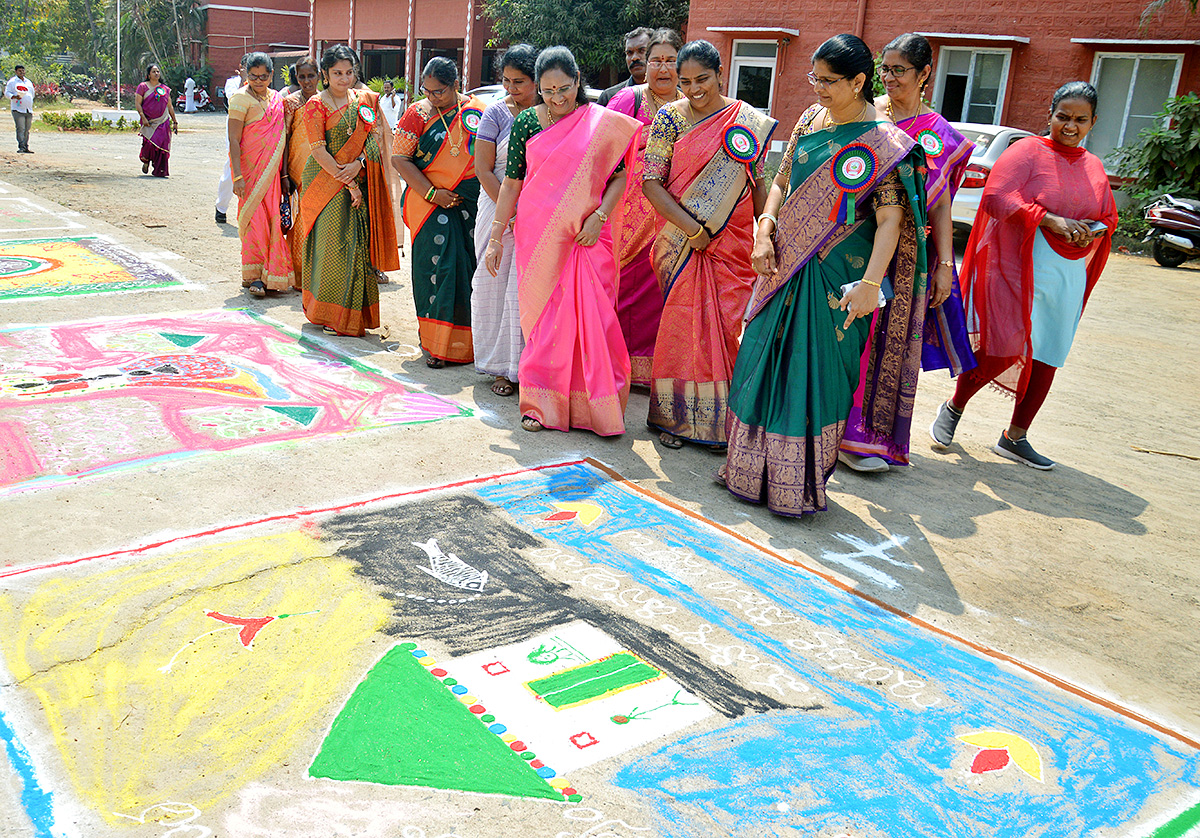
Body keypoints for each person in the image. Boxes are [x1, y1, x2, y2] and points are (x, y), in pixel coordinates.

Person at [720, 34, 927, 517]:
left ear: (859, 81)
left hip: (839, 279)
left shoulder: (887, 143)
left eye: (828, 81)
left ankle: (797, 486)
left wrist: (871, 286)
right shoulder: (811, 119)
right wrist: (764, 230)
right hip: (784, 263)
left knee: (818, 377)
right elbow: (783, 179)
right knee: (760, 359)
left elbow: (890, 222)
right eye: (813, 77)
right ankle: (749, 472)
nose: (817, 87)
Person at [929, 81, 1116, 470]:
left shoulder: (1094, 165)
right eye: (1063, 116)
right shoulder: (1027, 151)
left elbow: (1108, 216)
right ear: (1049, 115)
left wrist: (1088, 229)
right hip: (1017, 266)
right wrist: (1050, 220)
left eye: (1080, 119)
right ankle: (954, 406)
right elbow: (997, 197)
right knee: (1003, 348)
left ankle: (1015, 437)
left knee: (1049, 355)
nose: (1070, 125)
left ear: (1093, 122)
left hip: (1066, 273)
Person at [837, 32, 977, 472]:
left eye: (900, 70)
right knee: (847, 332)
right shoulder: (864, 113)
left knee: (888, 341)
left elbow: (939, 204)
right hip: (854, 242)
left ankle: (867, 438)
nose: (890, 78)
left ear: (925, 74)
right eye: (885, 69)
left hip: (908, 258)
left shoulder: (940, 135)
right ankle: (828, 423)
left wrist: (944, 265)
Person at [484, 46, 640, 435]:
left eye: (566, 89)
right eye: (549, 90)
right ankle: (540, 406)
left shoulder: (600, 123)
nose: (557, 98)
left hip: (588, 237)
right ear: (539, 87)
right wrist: (495, 235)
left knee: (596, 323)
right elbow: (512, 182)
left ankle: (594, 409)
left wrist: (599, 216)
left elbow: (618, 177)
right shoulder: (526, 125)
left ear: (578, 82)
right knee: (544, 324)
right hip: (541, 238)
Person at [640, 38, 776, 451]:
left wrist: (767, 233)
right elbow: (651, 183)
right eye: (685, 82)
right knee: (683, 326)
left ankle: (723, 423)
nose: (694, 89)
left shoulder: (746, 119)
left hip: (732, 247)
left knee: (728, 329)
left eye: (703, 79)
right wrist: (694, 230)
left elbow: (757, 183)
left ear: (721, 74)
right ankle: (677, 417)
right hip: (684, 242)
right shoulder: (669, 118)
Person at [299, 44, 399, 336]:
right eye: (337, 73)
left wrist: (359, 163)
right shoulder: (316, 104)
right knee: (334, 247)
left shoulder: (364, 100)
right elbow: (318, 151)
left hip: (358, 177)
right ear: (325, 75)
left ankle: (355, 318)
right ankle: (330, 315)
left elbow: (374, 139)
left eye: (349, 72)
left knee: (357, 246)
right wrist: (350, 181)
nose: (344, 78)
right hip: (325, 183)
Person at [393, 57, 485, 367]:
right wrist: (434, 194)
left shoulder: (477, 111)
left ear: (456, 85)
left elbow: (489, 157)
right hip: (429, 204)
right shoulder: (417, 114)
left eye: (439, 92)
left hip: (470, 207)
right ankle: (436, 345)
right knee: (436, 271)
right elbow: (400, 159)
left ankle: (465, 346)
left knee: (468, 273)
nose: (432, 98)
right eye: (427, 91)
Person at [608, 28, 684, 389]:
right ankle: (612, 361)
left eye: (671, 60)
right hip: (624, 218)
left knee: (657, 294)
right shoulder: (628, 100)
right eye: (656, 60)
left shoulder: (692, 107)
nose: (663, 68)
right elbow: (603, 157)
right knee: (620, 291)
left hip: (671, 219)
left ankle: (649, 370)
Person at [469, 44, 538, 397]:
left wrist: (530, 211)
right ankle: (499, 367)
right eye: (507, 81)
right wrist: (510, 211)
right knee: (492, 285)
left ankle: (528, 367)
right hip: (497, 208)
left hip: (539, 215)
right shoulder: (495, 112)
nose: (511, 89)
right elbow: (483, 168)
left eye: (520, 82)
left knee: (526, 291)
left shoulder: (550, 113)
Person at [227, 53, 293, 297]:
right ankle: (254, 276)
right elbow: (234, 140)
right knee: (254, 221)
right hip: (250, 172)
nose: (258, 81)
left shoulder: (277, 98)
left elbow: (282, 137)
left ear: (271, 75)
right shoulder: (239, 99)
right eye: (253, 76)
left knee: (272, 219)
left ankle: (271, 274)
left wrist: (284, 175)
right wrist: (237, 177)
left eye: (263, 76)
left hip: (272, 174)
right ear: (245, 74)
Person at [283, 57, 320, 288]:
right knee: (299, 221)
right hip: (296, 169)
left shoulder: (326, 101)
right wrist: (285, 175)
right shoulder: (290, 102)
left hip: (321, 169)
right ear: (296, 78)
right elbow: (284, 139)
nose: (307, 81)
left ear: (319, 76)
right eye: (302, 76)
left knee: (318, 221)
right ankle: (298, 274)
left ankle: (318, 273)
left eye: (311, 76)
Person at [216, 56, 249, 223]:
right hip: (235, 128)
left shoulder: (259, 83)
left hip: (254, 131)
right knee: (232, 168)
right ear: (241, 66)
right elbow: (233, 99)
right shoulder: (232, 82)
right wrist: (244, 79)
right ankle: (221, 207)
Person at [134, 64, 177, 178]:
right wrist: (143, 117)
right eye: (154, 71)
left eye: (158, 71)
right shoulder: (143, 87)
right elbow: (138, 103)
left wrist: (175, 121)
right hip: (148, 120)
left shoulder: (164, 89)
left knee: (162, 143)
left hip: (163, 121)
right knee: (148, 144)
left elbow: (170, 106)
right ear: (148, 74)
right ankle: (146, 160)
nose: (156, 73)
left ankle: (160, 170)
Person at [597, 27, 653, 106]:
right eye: (629, 53)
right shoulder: (609, 97)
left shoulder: (671, 95)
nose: (634, 58)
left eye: (641, 51)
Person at [6, 65, 33, 153]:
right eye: (19, 71)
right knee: (20, 128)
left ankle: (26, 146)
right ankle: (21, 147)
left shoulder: (28, 82)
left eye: (23, 70)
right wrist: (13, 96)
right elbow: (7, 92)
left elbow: (32, 93)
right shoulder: (12, 82)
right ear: (16, 72)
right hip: (18, 109)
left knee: (27, 129)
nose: (21, 72)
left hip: (28, 109)